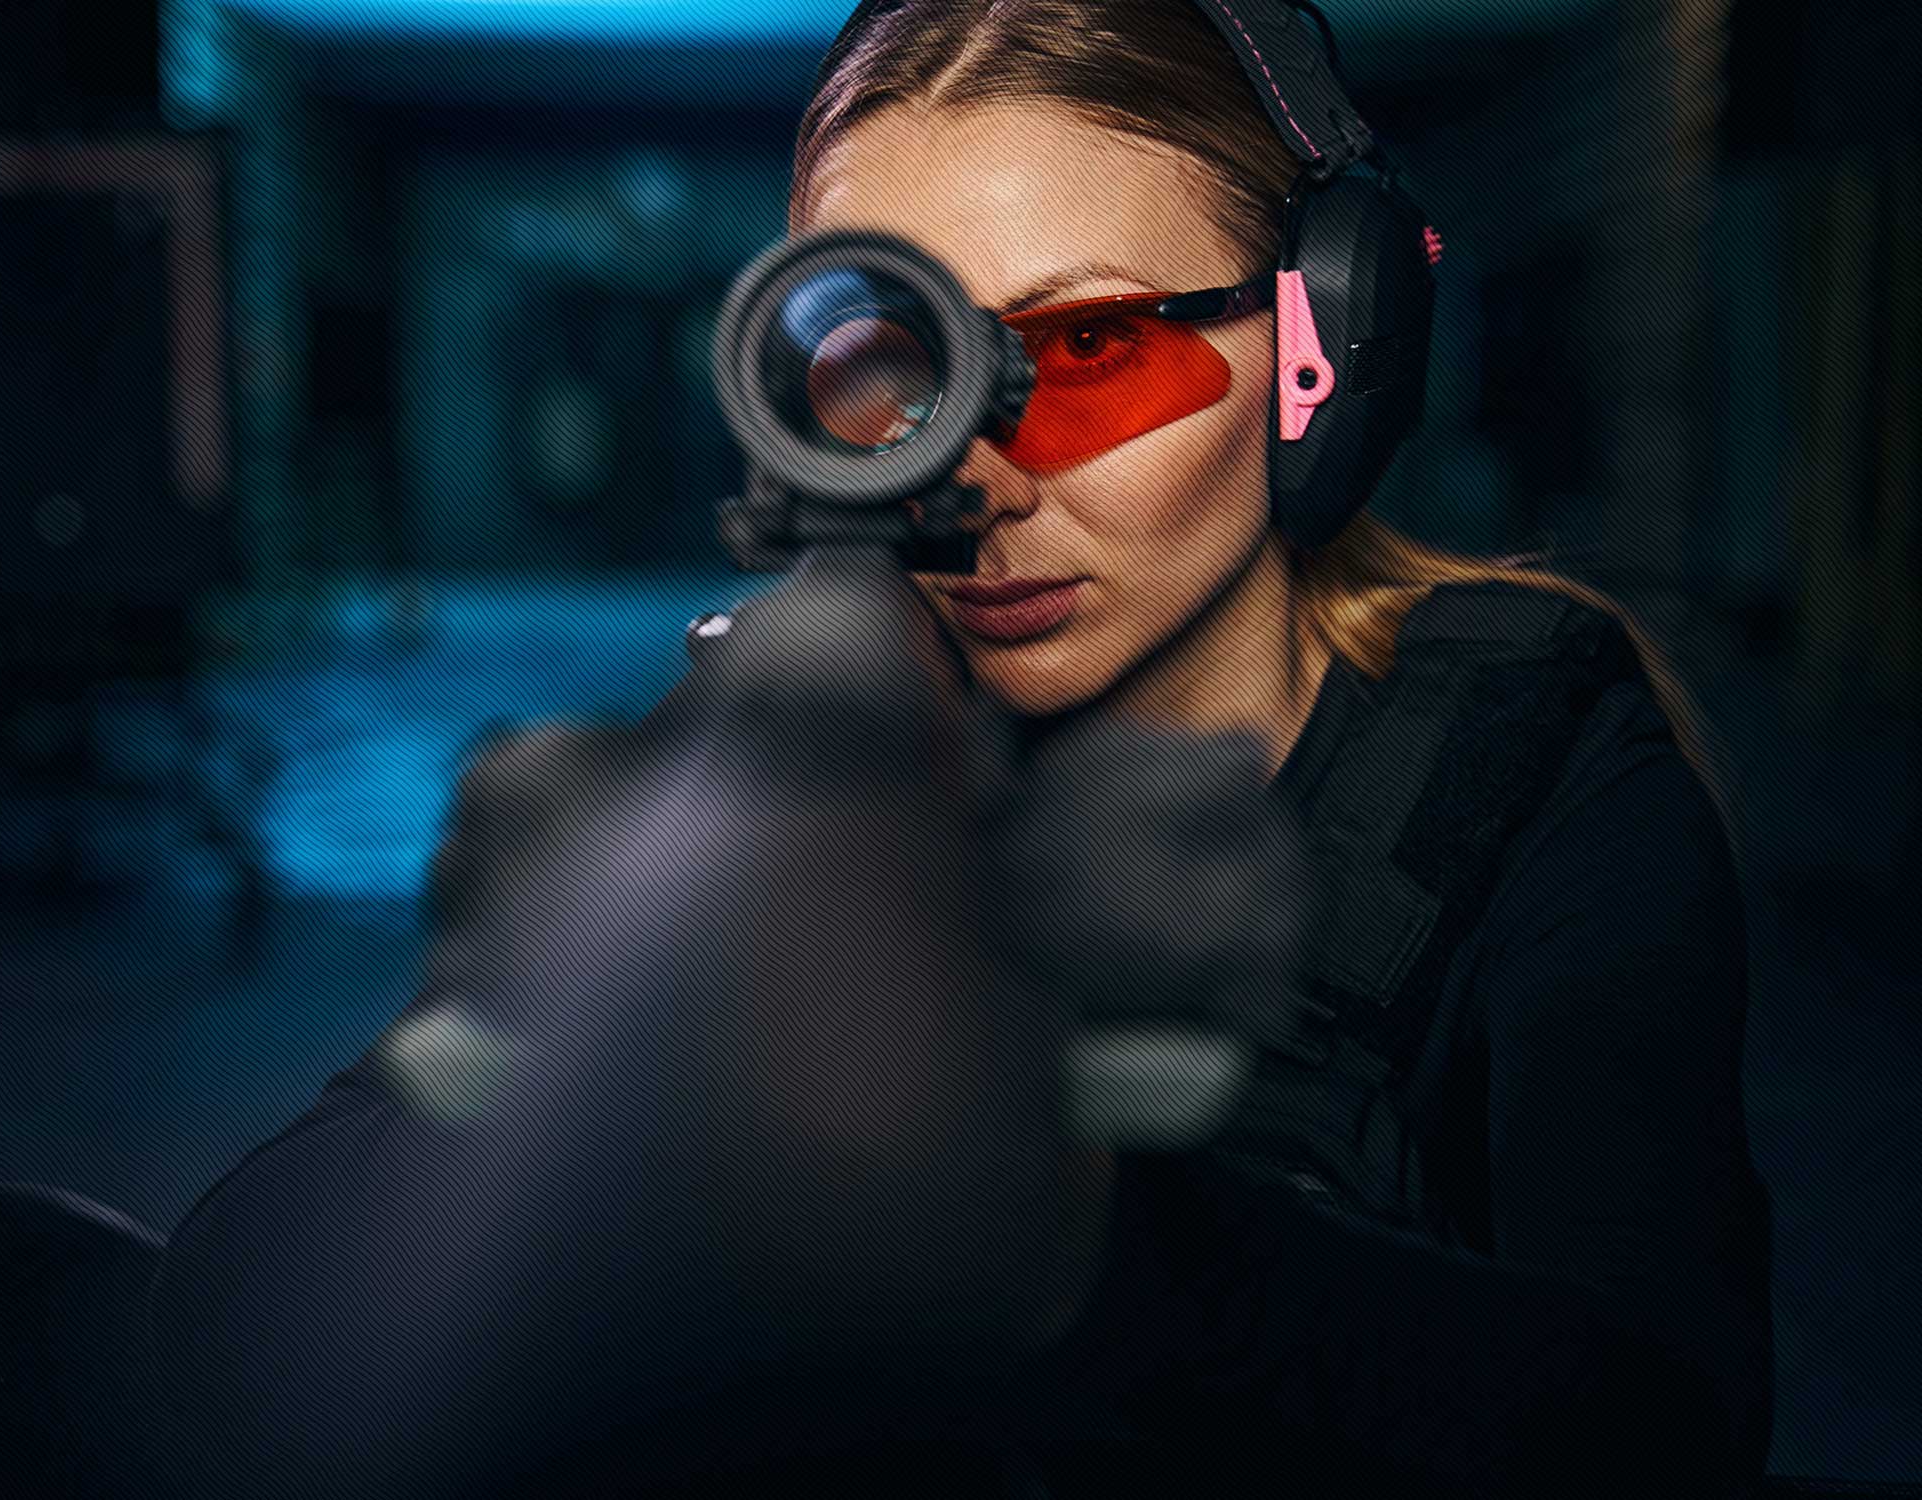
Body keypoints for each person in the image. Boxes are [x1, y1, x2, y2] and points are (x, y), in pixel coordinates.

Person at [148, 2, 1774, 1497]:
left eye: (1086, 356)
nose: (973, 482)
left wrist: (1093, 1247)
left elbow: (1668, 1430)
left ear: (1320, 353)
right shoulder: (789, 737)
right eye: (895, 371)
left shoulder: (1523, 756)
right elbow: (239, 1313)